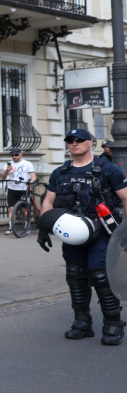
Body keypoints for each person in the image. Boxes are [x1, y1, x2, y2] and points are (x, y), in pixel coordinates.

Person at [38, 128, 127, 346]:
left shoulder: (108, 170)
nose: (74, 143)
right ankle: (82, 323)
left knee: (100, 275)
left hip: (103, 232)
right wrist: (43, 227)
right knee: (75, 275)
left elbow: (125, 199)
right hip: (72, 234)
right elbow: (48, 202)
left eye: (79, 140)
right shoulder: (61, 172)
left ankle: (113, 323)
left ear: (91, 143)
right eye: (70, 140)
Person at [1, 148, 36, 235]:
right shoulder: (8, 164)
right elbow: (3, 177)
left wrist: (31, 182)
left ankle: (26, 226)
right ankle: (10, 227)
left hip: (23, 189)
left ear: (21, 154)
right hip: (12, 188)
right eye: (12, 155)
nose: (14, 157)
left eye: (16, 155)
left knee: (25, 209)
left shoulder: (27, 164)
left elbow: (33, 176)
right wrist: (7, 170)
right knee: (12, 209)